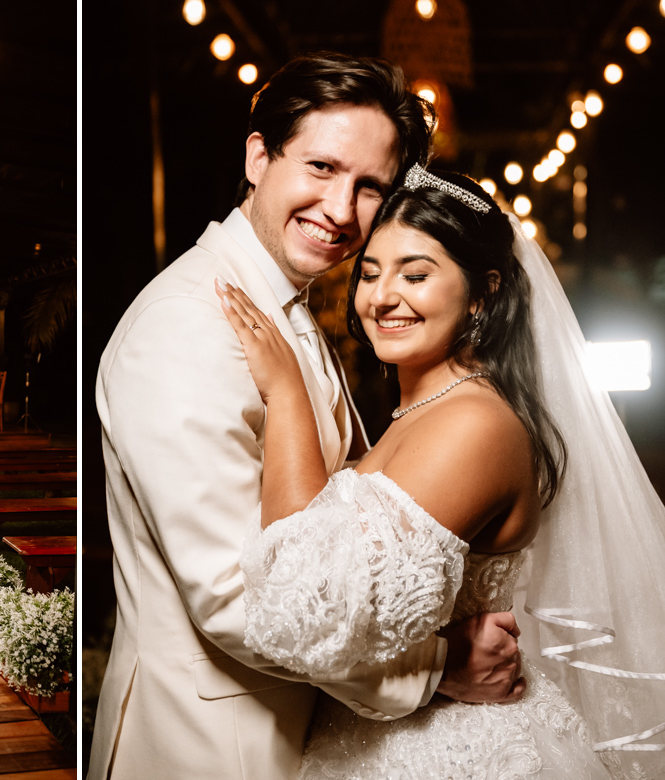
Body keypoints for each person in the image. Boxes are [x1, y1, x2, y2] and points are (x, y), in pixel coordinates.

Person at [90, 53, 526, 780]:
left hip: (307, 731)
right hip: (215, 747)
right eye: (321, 167)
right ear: (259, 157)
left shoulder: (280, 305)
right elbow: (236, 599)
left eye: (369, 187)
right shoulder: (187, 324)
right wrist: (440, 664)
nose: (341, 209)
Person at [218, 166, 665, 777]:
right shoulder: (424, 410)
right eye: (369, 273)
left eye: (416, 275)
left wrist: (287, 396)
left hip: (454, 753)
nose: (381, 297)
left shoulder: (474, 424)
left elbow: (301, 609)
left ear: (482, 294)